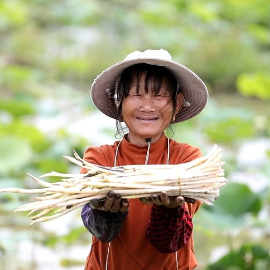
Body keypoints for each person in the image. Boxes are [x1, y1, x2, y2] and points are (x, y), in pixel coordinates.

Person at [80, 49, 208, 270]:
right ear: (118, 103)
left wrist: (170, 209)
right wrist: (105, 210)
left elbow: (169, 242)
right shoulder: (99, 158)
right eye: (136, 95)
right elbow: (99, 230)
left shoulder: (188, 161)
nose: (147, 106)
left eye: (159, 96)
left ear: (177, 104)